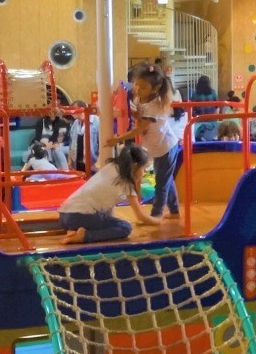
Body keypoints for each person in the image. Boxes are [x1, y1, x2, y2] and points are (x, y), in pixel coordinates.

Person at [107, 63, 181, 220]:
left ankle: (156, 215)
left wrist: (118, 139)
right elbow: (141, 120)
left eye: (143, 87)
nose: (138, 89)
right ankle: (174, 211)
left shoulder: (155, 106)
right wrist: (127, 112)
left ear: (155, 88)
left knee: (161, 183)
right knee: (166, 179)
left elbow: (139, 129)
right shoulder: (142, 100)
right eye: (136, 85)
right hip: (159, 147)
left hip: (166, 148)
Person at [60, 145, 162, 244]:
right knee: (125, 227)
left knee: (106, 217)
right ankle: (84, 236)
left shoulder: (111, 166)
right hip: (79, 217)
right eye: (143, 169)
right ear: (135, 166)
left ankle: (76, 230)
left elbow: (108, 208)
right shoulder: (125, 183)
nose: (143, 173)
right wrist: (159, 221)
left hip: (64, 215)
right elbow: (141, 216)